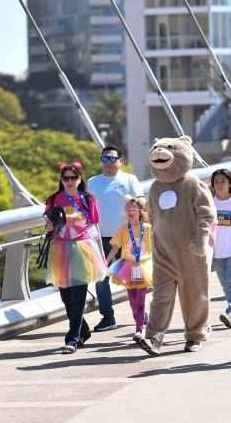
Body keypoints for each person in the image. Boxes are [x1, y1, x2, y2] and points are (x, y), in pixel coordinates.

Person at [44, 162, 109, 354]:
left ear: (80, 179)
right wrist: (49, 227)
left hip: (83, 248)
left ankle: (71, 339)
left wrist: (102, 255)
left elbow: (95, 228)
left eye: (74, 178)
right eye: (66, 178)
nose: (70, 181)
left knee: (79, 297)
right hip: (60, 248)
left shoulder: (88, 199)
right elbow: (48, 223)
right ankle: (84, 330)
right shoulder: (54, 199)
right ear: (61, 180)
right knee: (66, 298)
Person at [86, 145, 142, 332]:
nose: (108, 163)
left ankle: (140, 316)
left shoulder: (129, 179)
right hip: (101, 238)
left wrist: (132, 200)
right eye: (104, 159)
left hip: (127, 237)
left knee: (133, 278)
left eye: (112, 159)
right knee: (102, 279)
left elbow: (141, 201)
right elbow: (86, 207)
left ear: (120, 161)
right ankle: (108, 317)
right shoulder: (93, 182)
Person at [105, 194, 153, 343]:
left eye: (134, 209)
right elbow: (115, 248)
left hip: (143, 266)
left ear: (140, 211)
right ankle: (142, 318)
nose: (130, 212)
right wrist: (105, 262)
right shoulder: (123, 229)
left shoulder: (149, 228)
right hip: (127, 266)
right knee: (132, 300)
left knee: (140, 299)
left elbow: (159, 245)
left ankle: (139, 329)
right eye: (127, 210)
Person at [210, 168, 231, 328]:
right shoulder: (210, 203)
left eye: (223, 181)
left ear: (230, 183)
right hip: (216, 252)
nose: (219, 184)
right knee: (225, 285)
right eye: (216, 181)